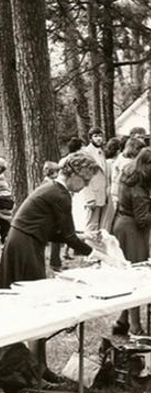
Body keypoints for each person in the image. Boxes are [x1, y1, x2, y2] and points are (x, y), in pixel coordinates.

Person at [0, 152, 103, 384]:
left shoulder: (54, 189)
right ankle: (32, 371)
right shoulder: (60, 194)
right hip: (24, 246)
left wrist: (83, 235)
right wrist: (98, 254)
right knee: (34, 308)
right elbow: (67, 238)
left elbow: (56, 231)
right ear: (73, 173)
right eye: (84, 180)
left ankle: (39, 367)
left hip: (25, 243)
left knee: (34, 308)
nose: (84, 186)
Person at [112, 147, 151, 336]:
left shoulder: (129, 174)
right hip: (132, 230)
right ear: (146, 166)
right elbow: (143, 218)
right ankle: (135, 325)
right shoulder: (138, 188)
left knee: (129, 275)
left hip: (124, 224)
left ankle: (123, 320)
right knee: (136, 276)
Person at [82, 127, 108, 231]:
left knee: (99, 226)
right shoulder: (86, 153)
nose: (98, 139)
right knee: (91, 225)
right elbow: (84, 176)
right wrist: (89, 198)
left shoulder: (101, 152)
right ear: (90, 138)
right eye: (95, 136)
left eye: (100, 136)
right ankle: (87, 246)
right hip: (93, 195)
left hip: (101, 194)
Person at [0, 158, 13, 245]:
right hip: (6, 203)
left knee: (5, 223)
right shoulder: (2, 178)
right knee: (5, 224)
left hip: (3, 202)